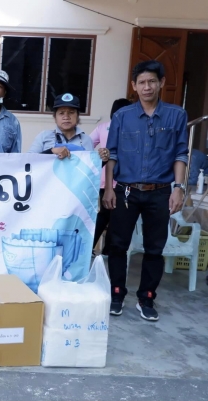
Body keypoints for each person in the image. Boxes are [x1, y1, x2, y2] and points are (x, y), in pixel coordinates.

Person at [103, 60, 188, 321]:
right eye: (142, 82)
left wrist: (178, 188)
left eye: (152, 81)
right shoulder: (122, 116)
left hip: (160, 192)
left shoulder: (176, 115)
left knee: (154, 248)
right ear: (134, 86)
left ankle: (147, 298)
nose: (147, 87)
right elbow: (112, 154)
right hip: (126, 191)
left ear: (161, 83)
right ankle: (117, 294)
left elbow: (180, 153)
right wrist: (109, 189)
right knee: (117, 245)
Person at [89, 98, 131, 255]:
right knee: (117, 218)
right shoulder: (131, 129)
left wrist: (97, 158)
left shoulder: (102, 127)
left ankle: (88, 247)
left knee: (103, 215)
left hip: (103, 180)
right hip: (123, 181)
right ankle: (108, 252)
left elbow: (86, 145)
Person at [28, 93, 110, 163]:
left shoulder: (86, 139)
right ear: (55, 117)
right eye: (61, 113)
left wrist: (103, 159)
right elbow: (28, 160)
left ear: (77, 116)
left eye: (71, 112)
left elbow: (91, 168)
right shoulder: (44, 136)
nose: (66, 117)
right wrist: (52, 151)